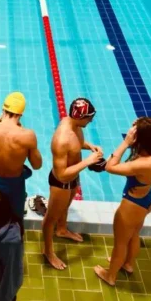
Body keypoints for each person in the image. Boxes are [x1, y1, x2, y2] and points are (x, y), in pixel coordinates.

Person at [94, 117, 151, 287]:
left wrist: (125, 142)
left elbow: (110, 167)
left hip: (132, 206)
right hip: (145, 200)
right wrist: (140, 125)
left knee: (120, 244)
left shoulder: (145, 163)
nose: (131, 133)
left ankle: (110, 276)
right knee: (134, 235)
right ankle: (128, 264)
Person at [42, 98, 103, 270]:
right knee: (50, 219)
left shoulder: (73, 124)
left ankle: (62, 230)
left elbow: (76, 144)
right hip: (60, 183)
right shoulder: (61, 139)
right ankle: (48, 251)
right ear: (80, 117)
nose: (91, 120)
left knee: (66, 207)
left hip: (73, 177)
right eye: (89, 118)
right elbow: (61, 175)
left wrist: (89, 146)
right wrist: (89, 161)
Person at [0, 92, 42, 225]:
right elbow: (37, 165)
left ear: (3, 109)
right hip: (14, 186)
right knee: (14, 222)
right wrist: (31, 148)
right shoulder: (27, 135)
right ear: (20, 114)